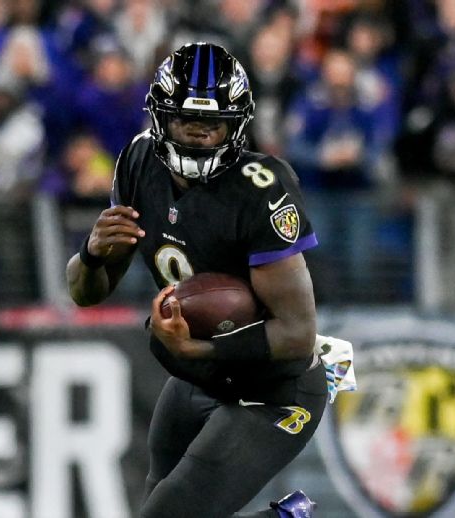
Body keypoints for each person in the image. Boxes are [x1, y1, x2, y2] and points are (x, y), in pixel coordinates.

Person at [66, 43, 322, 518]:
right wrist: (91, 253)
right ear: (162, 118)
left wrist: (195, 349)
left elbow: (298, 336)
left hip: (271, 393)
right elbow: (85, 294)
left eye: (215, 125)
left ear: (237, 125)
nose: (202, 136)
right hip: (195, 380)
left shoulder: (261, 188)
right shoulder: (139, 162)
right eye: (189, 122)